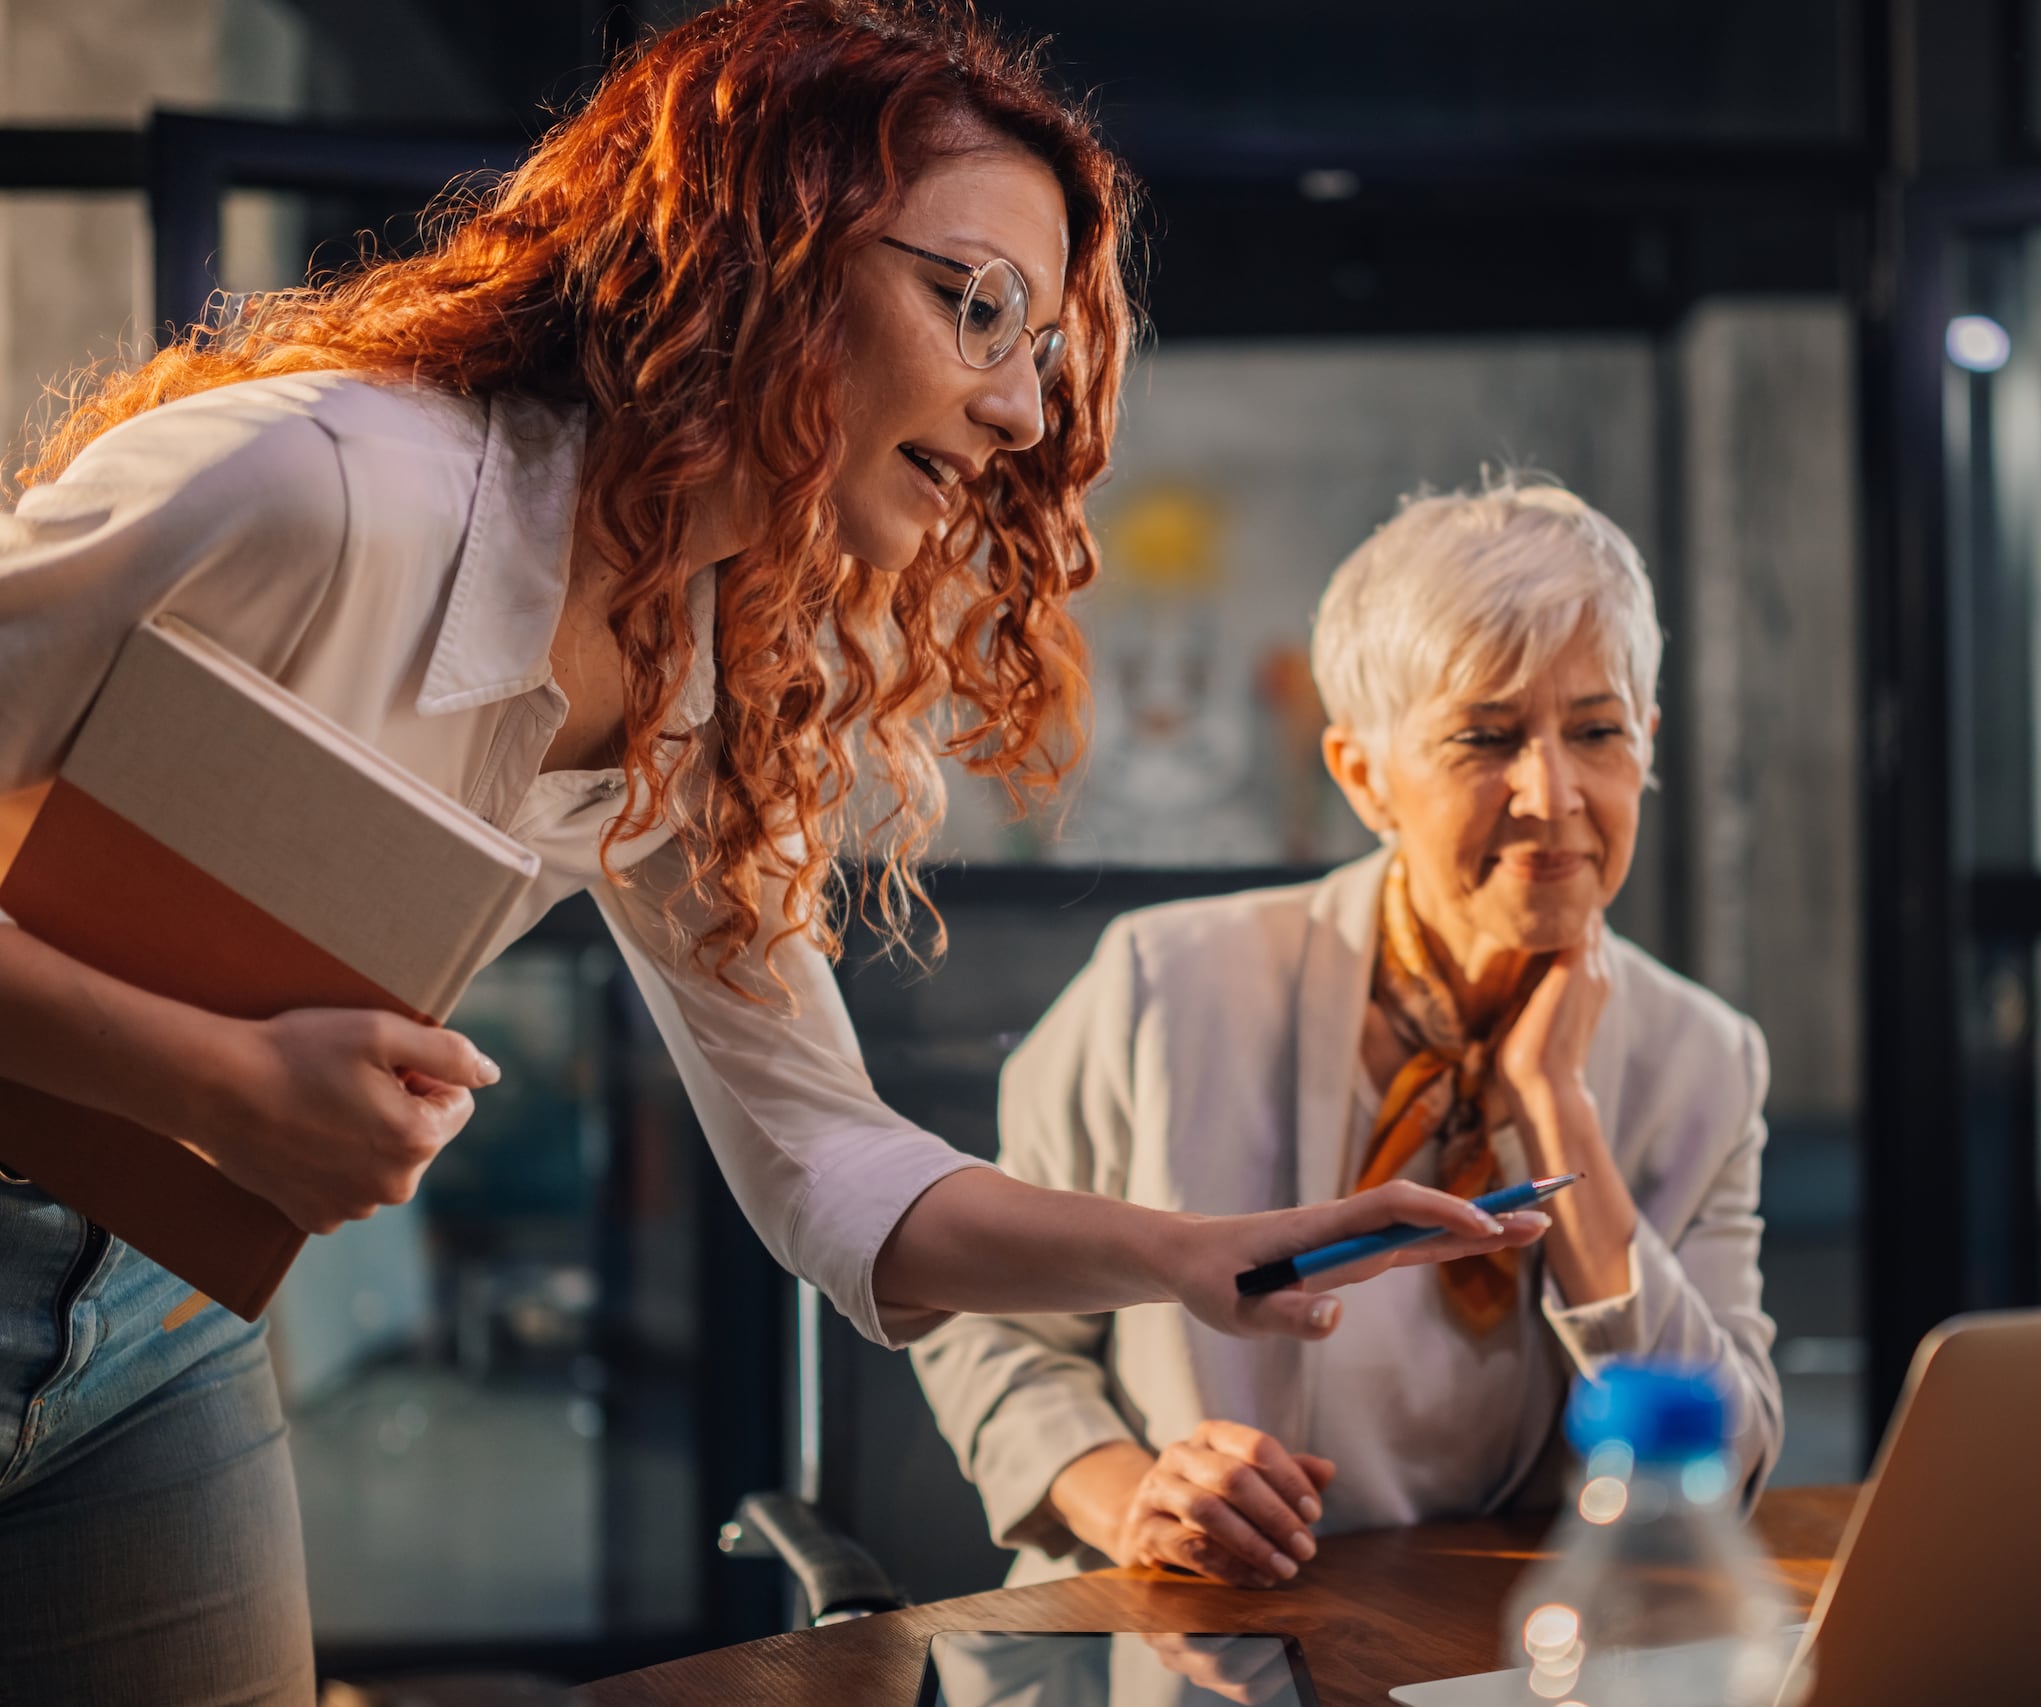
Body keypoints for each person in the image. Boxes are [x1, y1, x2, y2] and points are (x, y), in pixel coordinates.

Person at [0, 7, 1542, 1701]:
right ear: (763, 251)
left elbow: (827, 1159)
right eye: (979, 308)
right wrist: (217, 1081)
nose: (1025, 407)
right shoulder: (311, 485)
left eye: (1045, 348)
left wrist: (1195, 1254)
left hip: (153, 1317)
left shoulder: (698, 665)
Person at [914, 475, 1784, 1590]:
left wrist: (1556, 1109)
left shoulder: (1703, 1058)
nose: (1553, 792)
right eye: (1486, 737)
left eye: (1598, 730)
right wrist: (1131, 1494)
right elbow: (979, 1318)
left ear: (1645, 747)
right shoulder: (1167, 986)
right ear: (1364, 777)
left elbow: (1732, 1463)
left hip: (1506, 1648)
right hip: (1199, 1638)